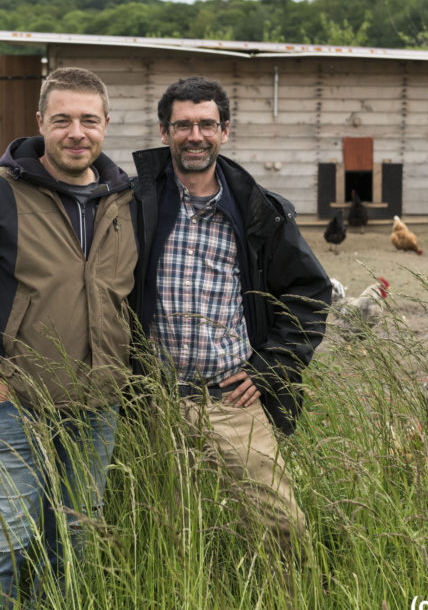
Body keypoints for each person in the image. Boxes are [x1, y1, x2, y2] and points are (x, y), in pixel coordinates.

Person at [0, 67, 137, 607]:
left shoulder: (126, 203)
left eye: (89, 120)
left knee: (75, 538)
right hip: (15, 404)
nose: (76, 132)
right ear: (40, 122)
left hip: (95, 406)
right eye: (62, 119)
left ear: (107, 125)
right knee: (6, 542)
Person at [130, 76, 331, 556]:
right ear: (164, 133)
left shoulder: (260, 213)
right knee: (169, 539)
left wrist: (269, 369)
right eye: (183, 125)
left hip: (232, 402)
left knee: (285, 529)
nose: (194, 135)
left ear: (224, 132)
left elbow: (309, 292)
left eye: (206, 124)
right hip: (151, 402)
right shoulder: (134, 204)